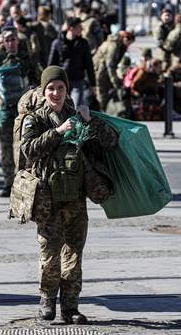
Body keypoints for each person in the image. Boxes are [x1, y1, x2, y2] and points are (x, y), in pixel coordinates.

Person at [20, 66, 118, 324]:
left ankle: (71, 307)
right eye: (50, 88)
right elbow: (28, 149)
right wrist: (58, 132)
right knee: (50, 255)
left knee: (73, 254)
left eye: (60, 88)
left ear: (67, 90)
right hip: (47, 199)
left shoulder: (78, 115)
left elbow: (110, 142)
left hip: (75, 198)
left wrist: (90, 120)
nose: (55, 93)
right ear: (43, 91)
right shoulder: (36, 119)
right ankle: (47, 301)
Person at [0, 27, 40, 197]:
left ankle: (24, 183)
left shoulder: (27, 61)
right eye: (7, 40)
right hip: (4, 112)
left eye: (13, 39)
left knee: (25, 148)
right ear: (2, 43)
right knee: (6, 149)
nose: (11, 43)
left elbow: (40, 82)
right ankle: (8, 183)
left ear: (18, 41)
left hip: (25, 113)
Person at [48, 16, 95, 107]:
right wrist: (48, 83)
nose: (82, 29)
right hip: (61, 81)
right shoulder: (57, 43)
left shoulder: (83, 43)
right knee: (62, 107)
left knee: (75, 106)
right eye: (79, 27)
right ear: (71, 28)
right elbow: (51, 65)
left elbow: (89, 65)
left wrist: (93, 84)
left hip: (78, 81)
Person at [93, 30, 135, 112]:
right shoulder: (114, 46)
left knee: (105, 95)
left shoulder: (119, 45)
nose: (129, 45)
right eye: (129, 42)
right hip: (101, 73)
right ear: (125, 39)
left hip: (103, 72)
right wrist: (115, 81)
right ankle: (100, 116)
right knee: (102, 96)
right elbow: (110, 65)